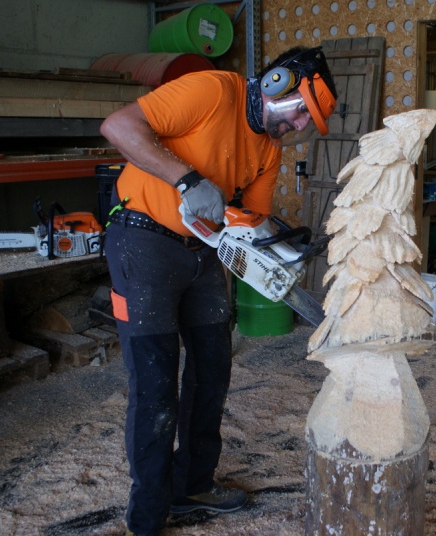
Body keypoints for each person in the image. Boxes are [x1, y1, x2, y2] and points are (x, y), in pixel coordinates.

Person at [99, 46, 337, 536]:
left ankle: (192, 486)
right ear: (277, 84)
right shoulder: (212, 91)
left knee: (212, 370)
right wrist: (187, 180)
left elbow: (250, 218)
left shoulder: (268, 149)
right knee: (155, 383)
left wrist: (280, 250)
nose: (298, 126)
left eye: (306, 123)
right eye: (300, 113)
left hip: (204, 251)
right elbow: (118, 126)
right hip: (143, 241)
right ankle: (147, 516)